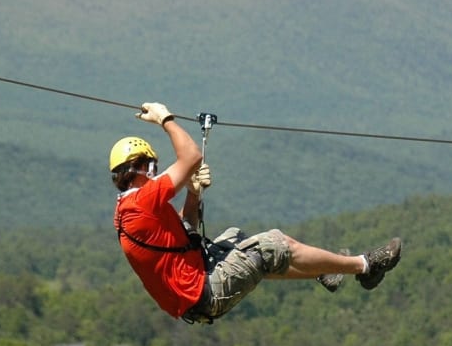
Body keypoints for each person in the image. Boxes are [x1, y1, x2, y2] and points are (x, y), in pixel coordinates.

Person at [111, 102, 402, 324]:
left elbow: (186, 232)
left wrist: (193, 192)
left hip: (194, 289)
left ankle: (324, 270)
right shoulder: (143, 202)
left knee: (237, 238)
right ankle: (365, 266)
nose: (155, 172)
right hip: (204, 290)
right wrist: (166, 120)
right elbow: (191, 156)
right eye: (152, 166)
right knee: (274, 244)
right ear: (141, 168)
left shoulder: (129, 210)